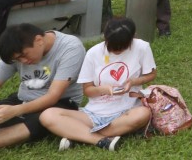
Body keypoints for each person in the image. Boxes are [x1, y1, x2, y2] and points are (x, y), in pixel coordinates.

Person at [39, 17, 155, 151]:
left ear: (133, 38)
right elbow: (87, 90)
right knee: (47, 115)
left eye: (122, 48)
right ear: (104, 38)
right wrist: (104, 89)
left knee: (144, 114)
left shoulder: (142, 47)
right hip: (94, 113)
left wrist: (134, 81)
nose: (116, 51)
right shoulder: (93, 53)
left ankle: (77, 134)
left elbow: (151, 74)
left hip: (128, 110)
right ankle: (101, 139)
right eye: (112, 47)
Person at [0, 24, 84, 149]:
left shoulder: (70, 48)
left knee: (36, 122)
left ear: (39, 40)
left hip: (61, 103)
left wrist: (15, 111)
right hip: (22, 100)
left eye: (23, 56)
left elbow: (53, 96)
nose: (23, 61)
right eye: (17, 59)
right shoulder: (16, 51)